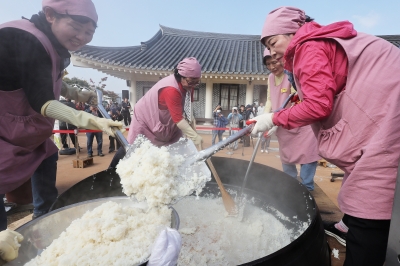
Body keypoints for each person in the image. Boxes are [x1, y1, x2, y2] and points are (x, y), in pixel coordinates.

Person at [252, 6, 400, 265]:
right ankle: (350, 225)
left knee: (372, 186)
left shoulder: (307, 47)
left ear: (294, 31)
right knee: (362, 177)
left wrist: (274, 118)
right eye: (267, 45)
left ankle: (363, 242)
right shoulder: (315, 41)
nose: (272, 51)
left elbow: (319, 104)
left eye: (273, 42)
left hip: (385, 115)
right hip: (383, 109)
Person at [0, 0, 123, 261]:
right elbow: (42, 99)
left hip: (28, 135)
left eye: (90, 32)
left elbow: (48, 79)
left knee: (48, 157)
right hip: (4, 134)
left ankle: (43, 223)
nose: (82, 36)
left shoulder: (52, 44)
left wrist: (79, 93)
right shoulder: (23, 38)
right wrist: (89, 120)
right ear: (50, 15)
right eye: (76, 26)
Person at [109, 57, 204, 168]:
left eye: (196, 83)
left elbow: (189, 109)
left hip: (167, 118)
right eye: (191, 82)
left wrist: (194, 129)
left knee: (175, 146)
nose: (192, 86)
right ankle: (112, 169)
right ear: (180, 76)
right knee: (134, 147)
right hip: (146, 117)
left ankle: (170, 173)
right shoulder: (171, 89)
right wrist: (195, 137)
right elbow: (178, 120)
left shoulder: (188, 85)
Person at [263, 48, 319, 191]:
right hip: (282, 126)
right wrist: (264, 119)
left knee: (307, 157)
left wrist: (275, 121)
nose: (272, 67)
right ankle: (290, 190)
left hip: (301, 125)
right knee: (287, 158)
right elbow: (270, 100)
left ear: (282, 59)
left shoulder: (291, 73)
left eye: (274, 62)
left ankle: (307, 189)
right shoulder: (270, 78)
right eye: (268, 64)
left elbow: (295, 101)